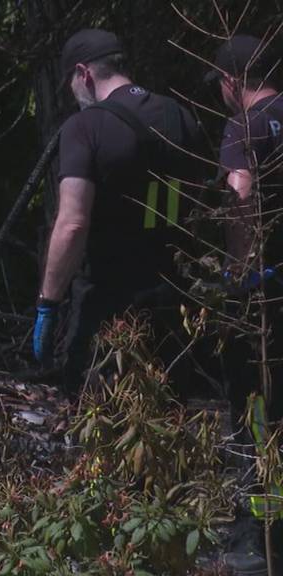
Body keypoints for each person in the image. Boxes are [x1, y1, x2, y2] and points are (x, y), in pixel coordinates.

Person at [33, 29, 200, 394]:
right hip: (173, 302)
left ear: (84, 74)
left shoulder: (85, 127)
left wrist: (48, 304)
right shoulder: (180, 117)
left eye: (70, 84)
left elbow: (73, 223)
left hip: (107, 306)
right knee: (168, 421)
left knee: (99, 424)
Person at [206, 33, 283, 572]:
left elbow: (239, 192)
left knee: (253, 408)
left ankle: (256, 533)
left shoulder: (245, 126)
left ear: (233, 82)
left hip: (266, 295)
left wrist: (240, 276)